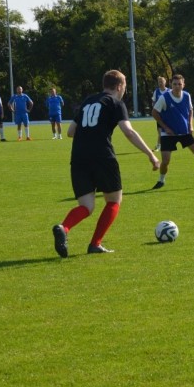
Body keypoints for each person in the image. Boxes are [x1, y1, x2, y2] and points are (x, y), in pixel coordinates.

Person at [52, 70, 160, 257]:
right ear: (119, 86)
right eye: (125, 87)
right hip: (102, 156)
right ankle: (95, 244)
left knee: (86, 206)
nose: (124, 90)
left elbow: (70, 132)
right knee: (114, 201)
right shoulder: (116, 103)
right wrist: (150, 154)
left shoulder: (87, 101)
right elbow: (128, 131)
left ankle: (64, 227)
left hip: (78, 157)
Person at [151, 74, 194, 189]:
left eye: (179, 84)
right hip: (168, 134)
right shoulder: (164, 97)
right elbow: (154, 113)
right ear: (171, 85)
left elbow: (191, 110)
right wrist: (165, 128)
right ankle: (161, 180)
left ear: (183, 85)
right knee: (166, 161)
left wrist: (190, 125)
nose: (177, 86)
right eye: (174, 84)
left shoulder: (187, 96)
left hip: (185, 131)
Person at [151, 76, 169, 152]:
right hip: (159, 115)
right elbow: (153, 101)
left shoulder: (169, 91)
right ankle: (159, 146)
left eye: (162, 81)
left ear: (165, 82)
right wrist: (155, 108)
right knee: (160, 132)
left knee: (171, 130)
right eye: (159, 82)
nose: (160, 83)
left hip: (168, 115)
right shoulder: (156, 91)